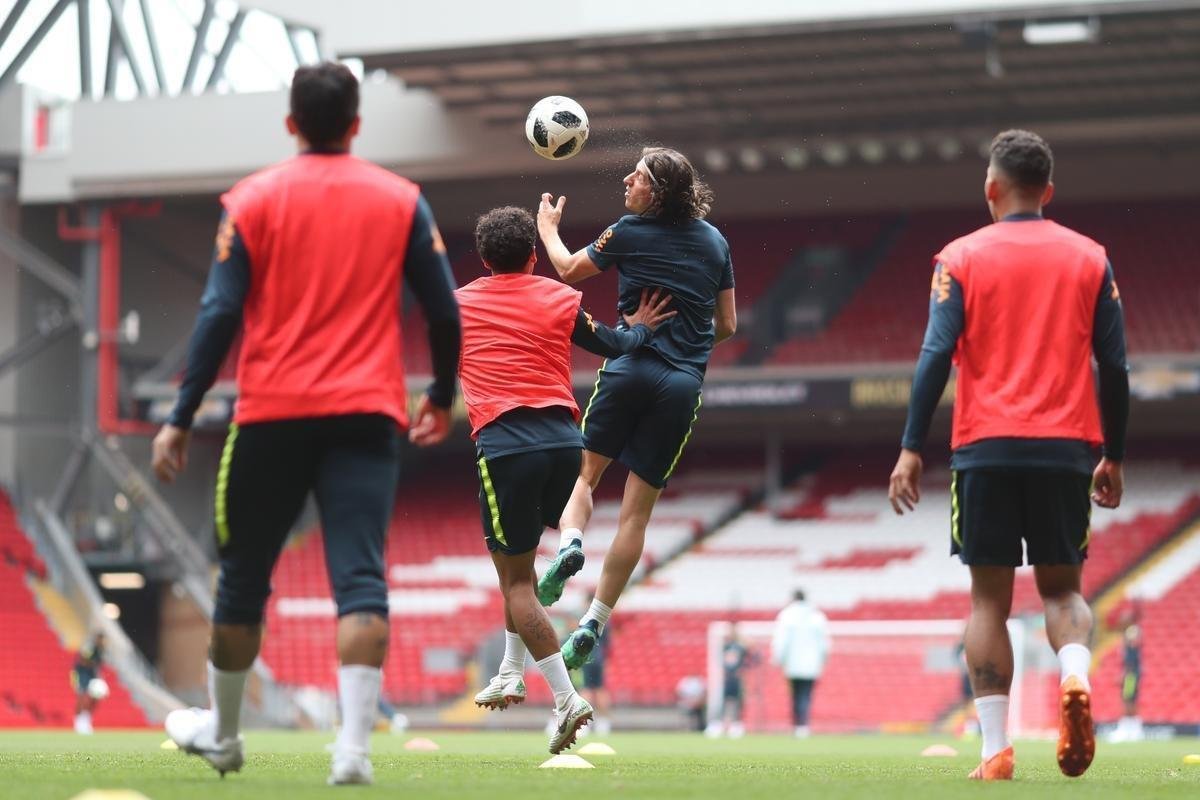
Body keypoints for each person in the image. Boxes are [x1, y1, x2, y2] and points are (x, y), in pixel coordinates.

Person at [150, 62, 461, 785]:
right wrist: (441, 395)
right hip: (366, 416)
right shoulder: (401, 200)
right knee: (360, 579)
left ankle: (223, 737)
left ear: (290, 123)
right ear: (356, 124)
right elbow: (445, 310)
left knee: (242, 583)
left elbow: (219, 312)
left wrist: (180, 416)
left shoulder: (252, 200)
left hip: (271, 416)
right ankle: (352, 752)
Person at [889, 129, 1129, 781]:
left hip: (985, 448)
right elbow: (1115, 363)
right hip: (1066, 448)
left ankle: (995, 750)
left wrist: (912, 447)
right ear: (1047, 192)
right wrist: (1115, 453)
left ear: (991, 190)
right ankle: (1075, 676)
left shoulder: (960, 256)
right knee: (1062, 591)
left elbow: (935, 354)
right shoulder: (1090, 258)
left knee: (988, 602)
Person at [458, 206, 674, 753]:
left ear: (484, 260)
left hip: (505, 448)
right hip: (562, 445)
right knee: (525, 570)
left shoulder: (458, 305)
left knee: (516, 583)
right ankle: (510, 669)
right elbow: (614, 344)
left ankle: (565, 699)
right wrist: (643, 328)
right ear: (533, 255)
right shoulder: (559, 297)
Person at [535, 146, 738, 668]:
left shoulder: (627, 230)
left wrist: (548, 226)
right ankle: (594, 620)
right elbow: (730, 325)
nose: (627, 180)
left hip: (629, 363)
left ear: (659, 192)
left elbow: (566, 270)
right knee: (636, 514)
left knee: (584, 476)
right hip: (681, 385)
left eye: (639, 176)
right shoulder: (716, 242)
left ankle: (571, 543)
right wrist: (688, 348)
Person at [770, 590, 830, 738]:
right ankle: (803, 725)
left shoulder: (787, 615)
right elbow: (824, 643)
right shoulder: (817, 616)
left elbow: (781, 640)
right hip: (811, 664)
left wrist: (777, 658)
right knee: (806, 694)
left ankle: (798, 725)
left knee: (796, 695)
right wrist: (823, 660)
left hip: (793, 663)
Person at [708, 625, 754, 738]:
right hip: (726, 679)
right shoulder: (725, 646)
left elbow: (753, 656)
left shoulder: (741, 647)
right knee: (723, 702)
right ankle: (719, 725)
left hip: (737, 679)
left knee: (738, 702)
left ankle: (736, 725)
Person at [1111, 623, 1144, 742]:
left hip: (1130, 678)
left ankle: (1127, 729)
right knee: (1130, 701)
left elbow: (1129, 666)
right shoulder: (1133, 649)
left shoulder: (1131, 649)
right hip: (1133, 677)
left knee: (1127, 702)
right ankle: (1133, 729)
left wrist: (1122, 676)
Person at [71, 633, 106, 734]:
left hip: (92, 676)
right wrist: (92, 664)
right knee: (82, 697)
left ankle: (86, 720)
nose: (102, 642)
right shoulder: (90, 647)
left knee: (95, 698)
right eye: (101, 640)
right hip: (82, 674)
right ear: (97, 639)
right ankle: (78, 722)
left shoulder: (101, 650)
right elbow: (82, 660)